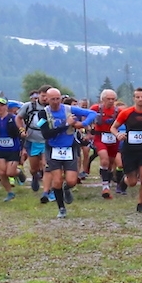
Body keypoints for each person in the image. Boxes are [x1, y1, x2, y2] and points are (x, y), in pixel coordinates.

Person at [38, 88, 97, 218]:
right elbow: (46, 134)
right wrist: (66, 124)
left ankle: (66, 189)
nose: (55, 102)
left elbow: (92, 113)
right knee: (57, 180)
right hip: (53, 149)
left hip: (69, 148)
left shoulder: (68, 109)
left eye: (57, 98)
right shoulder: (43, 114)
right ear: (46, 99)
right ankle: (61, 208)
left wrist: (82, 124)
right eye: (52, 99)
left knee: (72, 181)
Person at [111, 88, 142, 213]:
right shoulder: (126, 113)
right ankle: (125, 180)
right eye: (137, 97)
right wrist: (118, 135)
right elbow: (113, 128)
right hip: (129, 149)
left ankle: (140, 204)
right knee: (132, 182)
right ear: (134, 99)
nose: (140, 99)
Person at [89, 90, 123, 198]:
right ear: (102, 99)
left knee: (111, 163)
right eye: (108, 99)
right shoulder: (96, 108)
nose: (111, 101)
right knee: (104, 159)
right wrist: (89, 129)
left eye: (113, 99)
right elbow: (86, 116)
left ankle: (107, 180)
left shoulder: (118, 111)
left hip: (114, 139)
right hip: (100, 138)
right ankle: (105, 187)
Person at [17, 86, 50, 194]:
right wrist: (22, 130)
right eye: (43, 95)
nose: (45, 98)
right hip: (32, 140)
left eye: (47, 96)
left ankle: (47, 190)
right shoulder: (29, 106)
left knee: (47, 166)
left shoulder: (52, 107)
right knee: (34, 168)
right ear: (39, 95)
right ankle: (35, 176)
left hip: (47, 141)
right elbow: (18, 118)